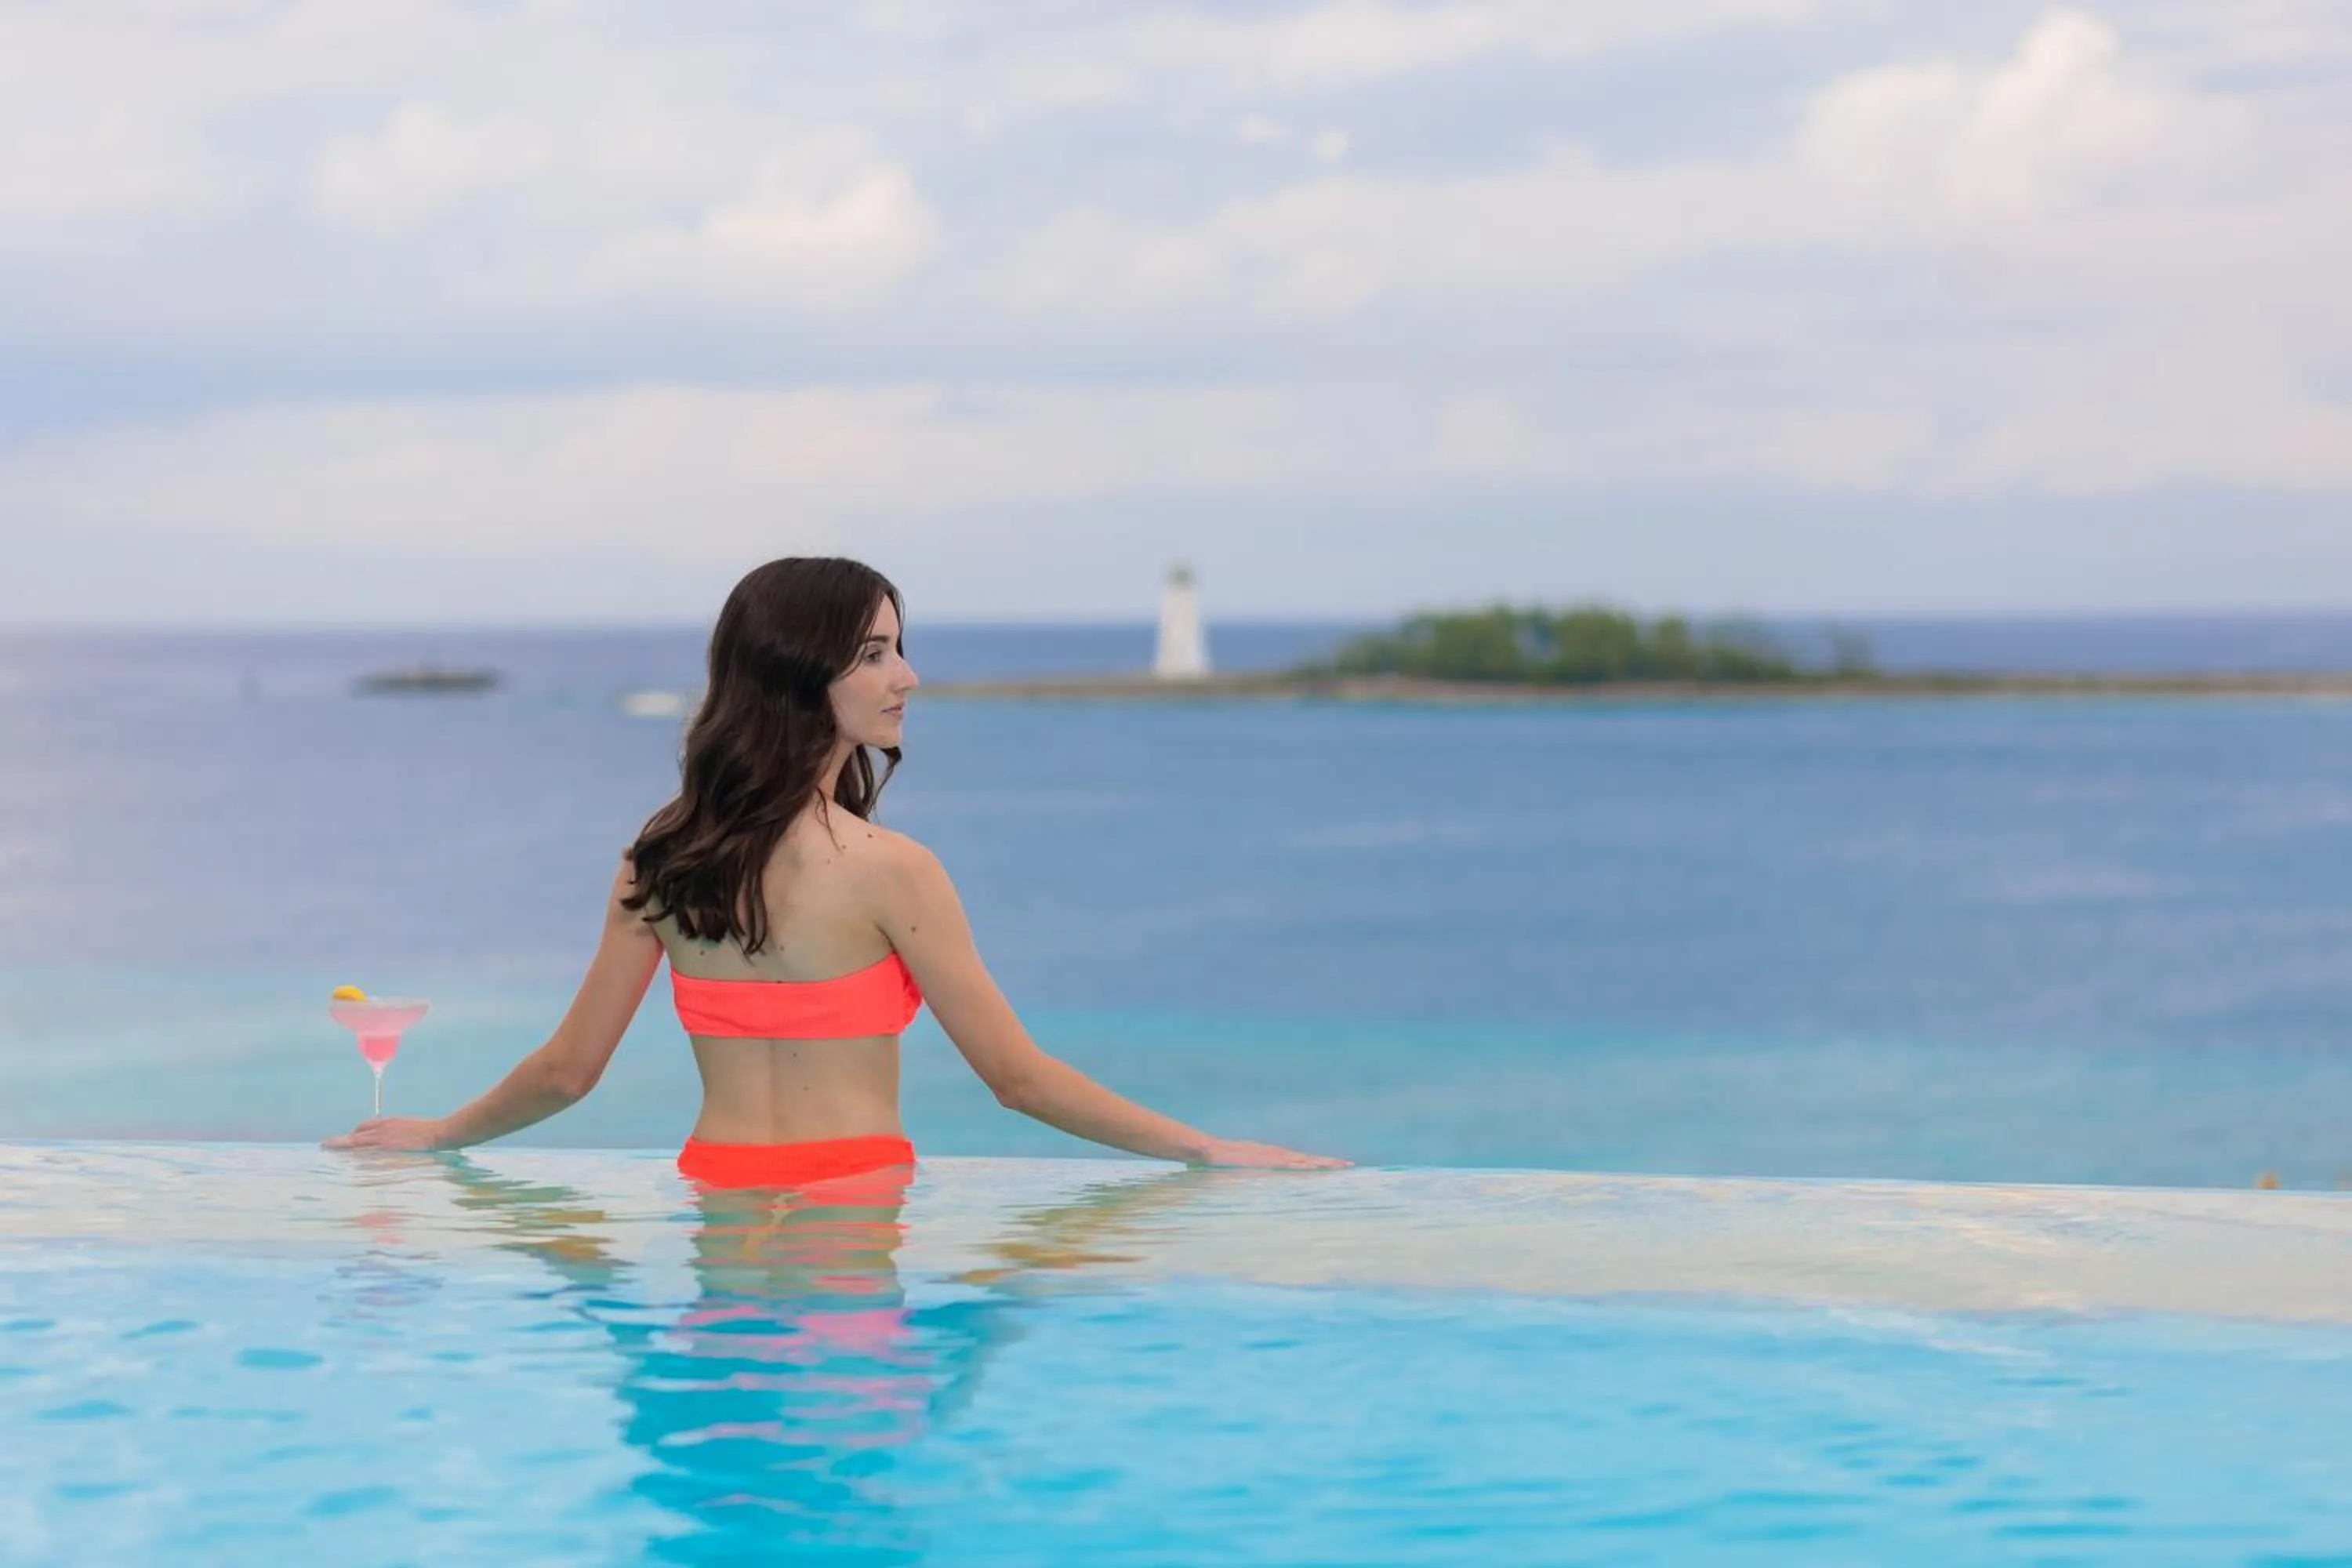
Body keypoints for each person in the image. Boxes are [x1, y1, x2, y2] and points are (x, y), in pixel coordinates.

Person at [325, 557, 1347, 1185]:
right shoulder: (892, 871)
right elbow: (1020, 1082)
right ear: (796, 674)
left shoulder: (662, 856)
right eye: (872, 655)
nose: (906, 677)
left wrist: (442, 1135)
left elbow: (567, 1071)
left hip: (716, 1195)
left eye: (898, 649)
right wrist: (1211, 1151)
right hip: (849, 1216)